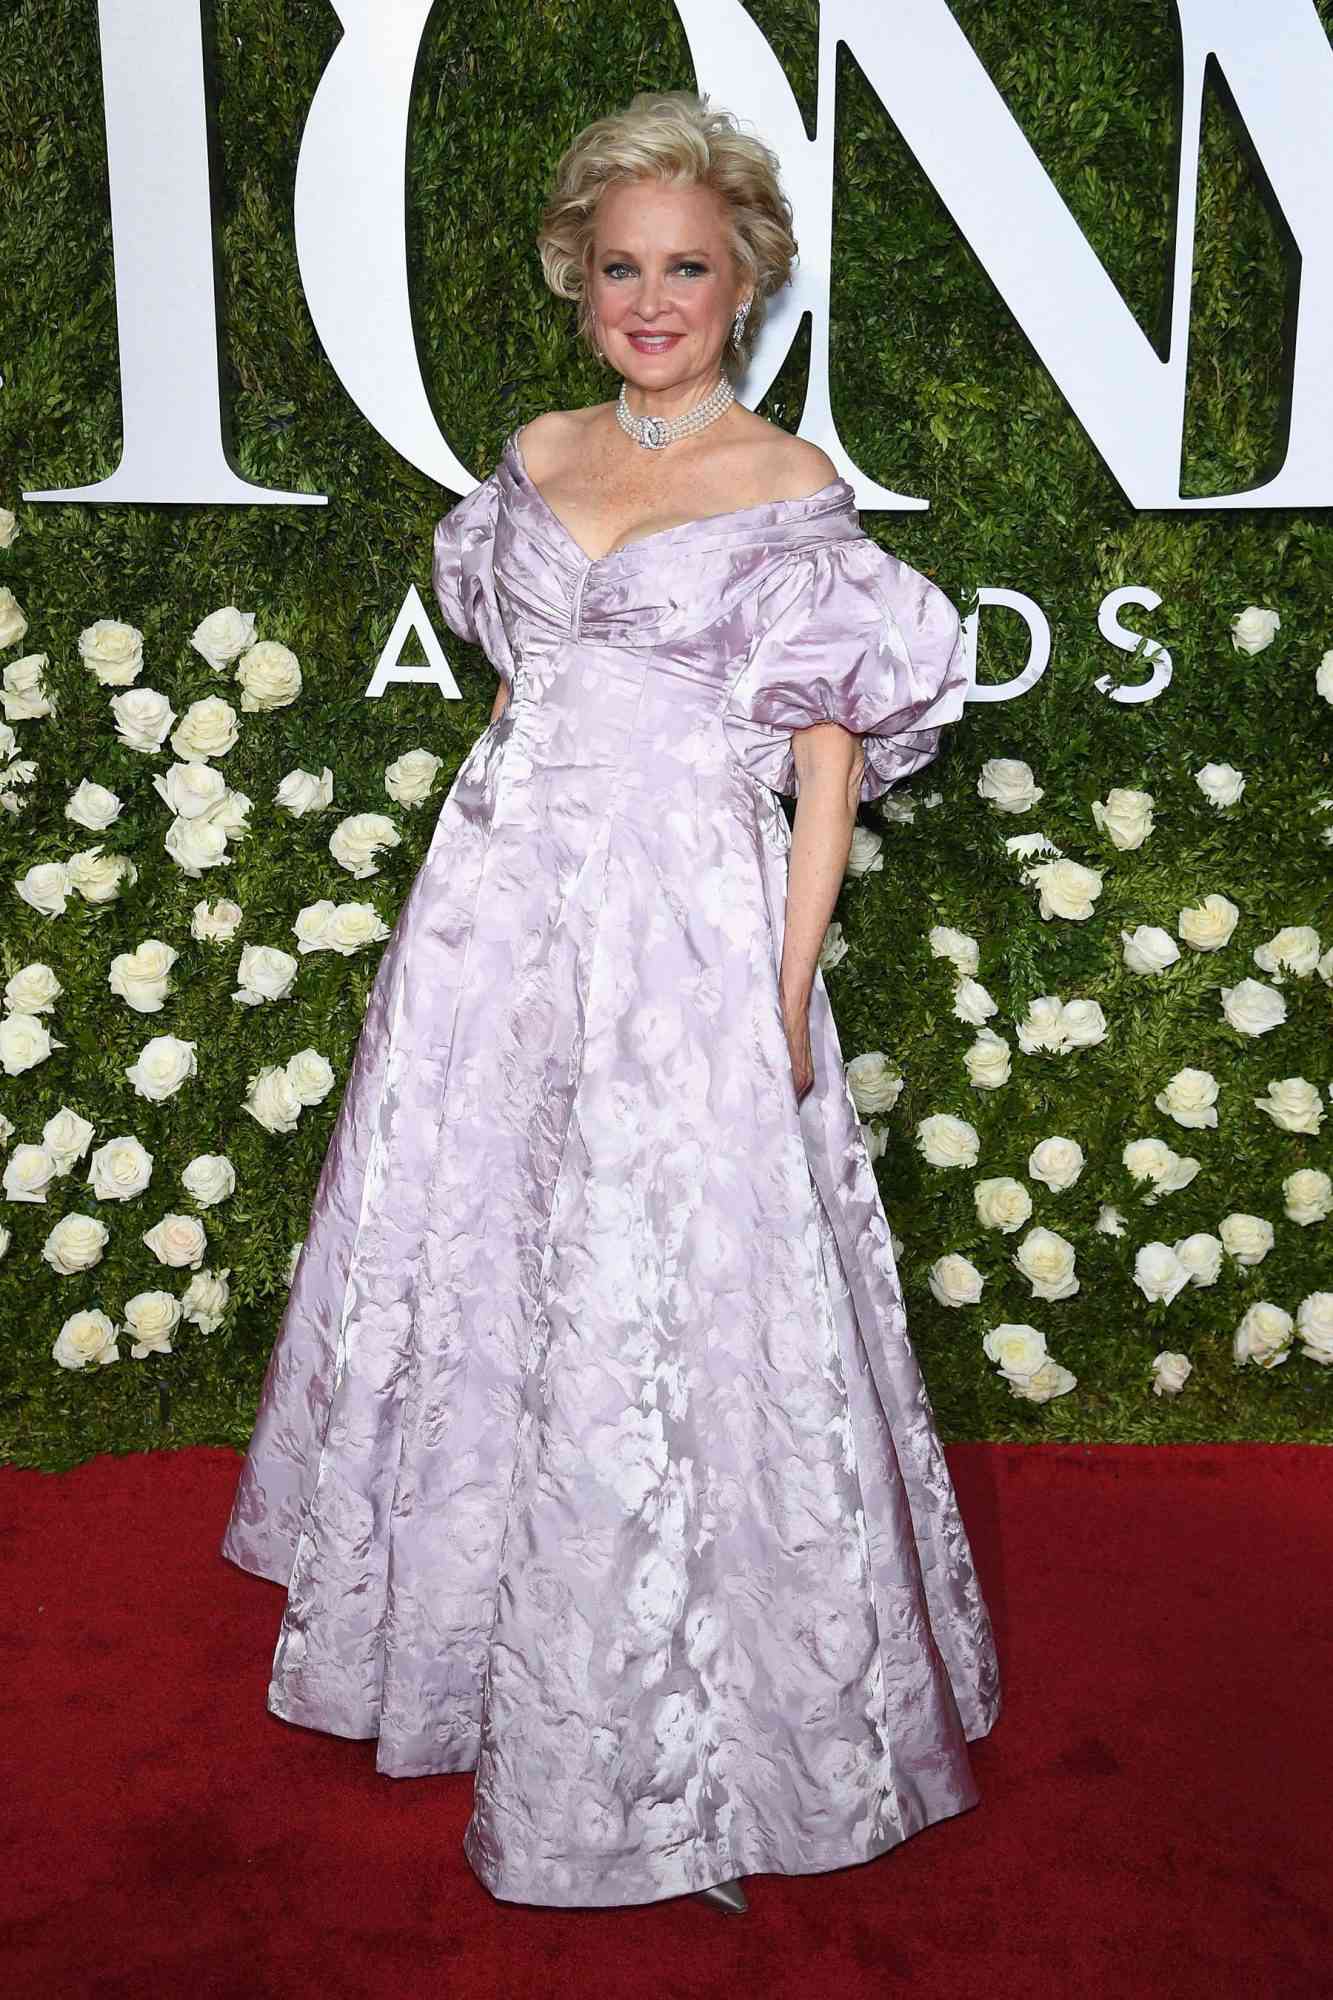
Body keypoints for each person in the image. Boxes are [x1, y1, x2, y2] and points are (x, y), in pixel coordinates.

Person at [222, 88, 1000, 1917]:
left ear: (745, 286)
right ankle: (456, 1642)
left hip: (679, 928)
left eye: (693, 270)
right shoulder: (532, 456)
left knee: (674, 1271)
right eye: (623, 268)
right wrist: (461, 913)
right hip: (497, 911)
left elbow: (825, 759)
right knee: (476, 1243)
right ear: (581, 279)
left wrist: (788, 978)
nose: (655, 299)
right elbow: (515, 708)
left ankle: (686, 1709)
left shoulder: (789, 486)